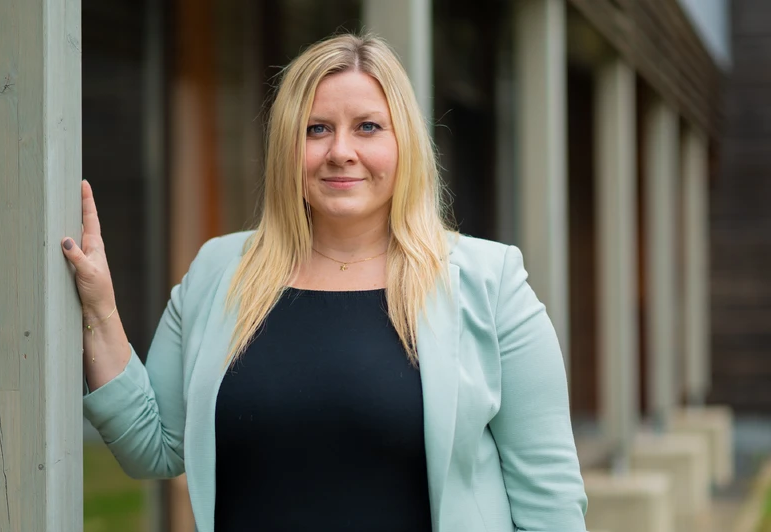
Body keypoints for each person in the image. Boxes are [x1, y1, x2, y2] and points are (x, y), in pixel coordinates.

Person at [62, 34, 588, 532]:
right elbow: (153, 447)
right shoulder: (219, 272)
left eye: (368, 127)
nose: (340, 151)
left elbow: (550, 502)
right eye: (316, 129)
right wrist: (100, 309)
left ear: (405, 142)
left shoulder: (489, 284)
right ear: (287, 146)